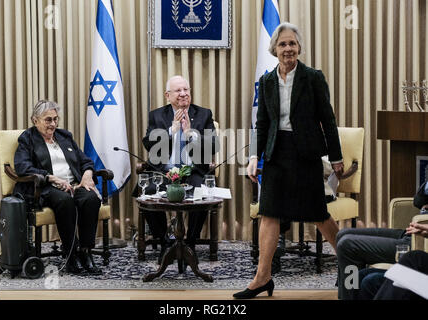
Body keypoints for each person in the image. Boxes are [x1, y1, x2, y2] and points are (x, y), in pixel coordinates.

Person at [234, 22, 344, 299]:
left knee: (318, 214)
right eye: (282, 44)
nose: (288, 49)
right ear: (274, 49)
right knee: (268, 213)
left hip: (305, 153)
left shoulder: (313, 77)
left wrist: (337, 156)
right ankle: (262, 278)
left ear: (299, 47)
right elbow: (261, 124)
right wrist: (253, 157)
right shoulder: (266, 81)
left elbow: (327, 120)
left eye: (292, 43)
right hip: (275, 153)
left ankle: (350, 265)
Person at [14, 100, 102, 275]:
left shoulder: (64, 136)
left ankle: (85, 251)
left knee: (91, 198)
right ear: (35, 120)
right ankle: (70, 254)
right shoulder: (28, 138)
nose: (53, 124)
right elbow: (22, 167)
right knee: (65, 201)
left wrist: (87, 174)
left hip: (74, 185)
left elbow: (85, 161)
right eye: (48, 120)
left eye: (55, 119)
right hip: (46, 189)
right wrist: (50, 177)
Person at [138, 75, 218, 263]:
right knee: (147, 192)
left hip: (193, 171)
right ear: (167, 95)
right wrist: (171, 131)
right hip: (164, 173)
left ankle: (190, 243)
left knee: (203, 193)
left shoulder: (204, 114)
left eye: (186, 90)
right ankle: (166, 243)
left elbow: (213, 146)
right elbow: (149, 144)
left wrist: (191, 134)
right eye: (178, 90)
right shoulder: (157, 115)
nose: (183, 94)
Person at [336, 186, 428, 300]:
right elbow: (418, 200)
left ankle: (347, 297)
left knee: (347, 245)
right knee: (342, 234)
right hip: (408, 233)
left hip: (415, 240)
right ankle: (345, 295)